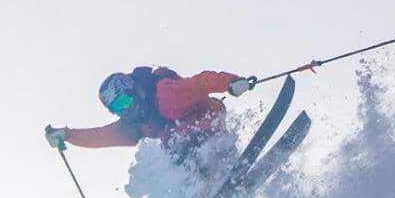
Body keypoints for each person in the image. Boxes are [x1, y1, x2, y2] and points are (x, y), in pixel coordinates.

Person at [46, 67, 257, 155]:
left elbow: (200, 83)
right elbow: (101, 136)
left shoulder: (165, 93)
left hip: (207, 120)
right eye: (118, 108)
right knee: (167, 151)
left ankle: (217, 168)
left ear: (135, 91)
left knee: (174, 139)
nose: (126, 109)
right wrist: (68, 135)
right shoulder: (136, 124)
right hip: (190, 149)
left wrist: (230, 83)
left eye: (126, 100)